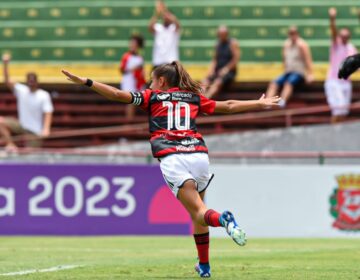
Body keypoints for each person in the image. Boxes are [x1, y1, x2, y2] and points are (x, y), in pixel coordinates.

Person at [62, 61, 280, 278]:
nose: (150, 84)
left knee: (199, 213)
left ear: (162, 81)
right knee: (198, 214)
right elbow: (229, 106)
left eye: (152, 80)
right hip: (198, 155)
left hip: (173, 157)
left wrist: (87, 82)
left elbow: (118, 95)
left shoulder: (151, 97)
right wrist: (258, 104)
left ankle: (224, 219)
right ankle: (204, 266)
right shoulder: (192, 97)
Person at [1, 54, 54, 151]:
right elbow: (7, 80)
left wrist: (46, 129)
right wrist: (5, 64)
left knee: (29, 155)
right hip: (21, 126)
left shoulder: (43, 95)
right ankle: (10, 144)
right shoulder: (22, 91)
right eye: (29, 80)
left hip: (35, 131)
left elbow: (48, 112)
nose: (31, 83)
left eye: (33, 81)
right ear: (27, 81)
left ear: (37, 82)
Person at [265, 26, 314, 108]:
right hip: (288, 72)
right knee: (274, 83)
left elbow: (308, 60)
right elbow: (284, 59)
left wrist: (310, 74)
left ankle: (282, 102)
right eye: (291, 33)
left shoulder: (302, 45)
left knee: (288, 83)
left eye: (294, 33)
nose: (292, 35)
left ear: (297, 34)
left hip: (298, 72)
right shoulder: (286, 44)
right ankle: (267, 103)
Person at [325, 7, 357, 123]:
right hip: (334, 81)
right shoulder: (336, 44)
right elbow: (333, 31)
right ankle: (333, 133)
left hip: (346, 83)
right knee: (338, 110)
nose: (343, 37)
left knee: (344, 112)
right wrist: (332, 19)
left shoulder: (351, 48)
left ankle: (339, 134)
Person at [203, 25, 240, 99]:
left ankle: (206, 99)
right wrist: (212, 70)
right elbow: (215, 59)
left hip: (229, 72)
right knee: (204, 81)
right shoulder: (217, 44)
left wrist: (226, 68)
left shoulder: (232, 43)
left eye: (224, 33)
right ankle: (200, 98)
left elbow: (236, 59)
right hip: (218, 70)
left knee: (217, 82)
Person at [119, 35, 146, 120]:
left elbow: (142, 70)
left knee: (135, 101)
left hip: (137, 81)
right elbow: (122, 70)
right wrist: (133, 69)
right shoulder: (126, 56)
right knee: (130, 101)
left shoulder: (139, 57)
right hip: (129, 81)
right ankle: (129, 121)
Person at [149, 0, 180, 68]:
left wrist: (167, 13)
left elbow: (178, 25)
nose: (165, 17)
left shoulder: (173, 28)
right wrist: (157, 13)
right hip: (158, 62)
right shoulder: (158, 27)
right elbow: (150, 27)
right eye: (164, 16)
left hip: (171, 62)